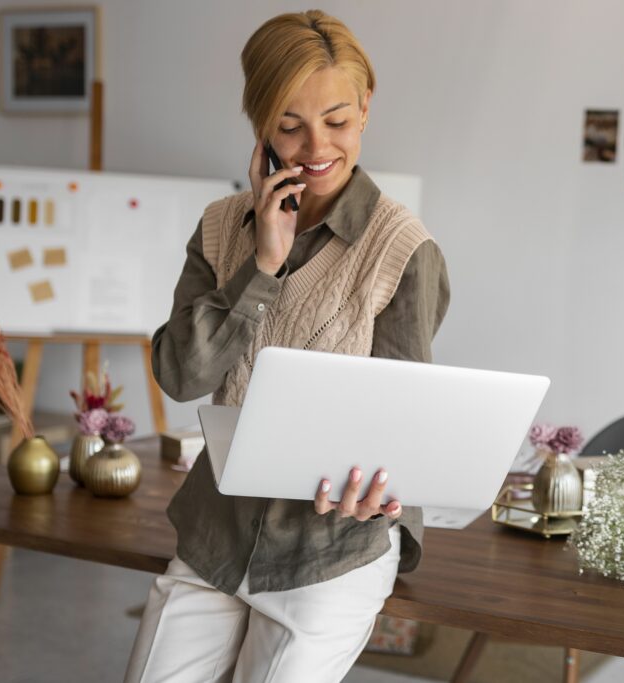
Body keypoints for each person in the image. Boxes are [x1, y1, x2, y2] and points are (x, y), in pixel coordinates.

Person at [124, 10, 450, 682]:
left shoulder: (404, 251)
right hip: (216, 533)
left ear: (366, 109)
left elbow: (398, 417)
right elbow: (181, 377)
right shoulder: (221, 228)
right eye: (289, 125)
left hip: (330, 546)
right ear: (260, 125)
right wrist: (262, 266)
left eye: (337, 120)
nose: (316, 147)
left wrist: (379, 485)